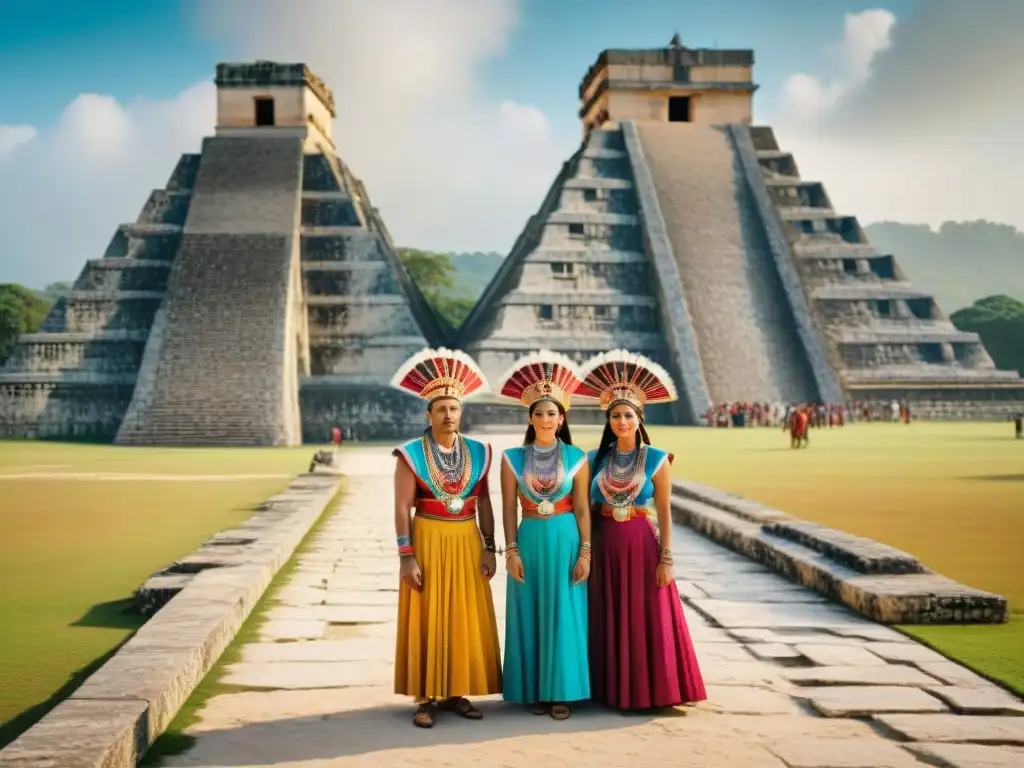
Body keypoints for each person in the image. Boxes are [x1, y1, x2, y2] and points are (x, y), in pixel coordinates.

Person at [576, 349, 707, 712]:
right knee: (608, 614)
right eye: (615, 415)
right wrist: (584, 549)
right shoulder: (593, 460)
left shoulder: (656, 458)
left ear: (639, 417)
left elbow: (664, 511)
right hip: (605, 545)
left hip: (640, 543)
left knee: (644, 613)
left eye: (628, 415)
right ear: (608, 420)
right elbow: (583, 508)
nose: (622, 421)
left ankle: (652, 689)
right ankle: (610, 688)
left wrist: (666, 558)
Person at [390, 347, 502, 728]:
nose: (448, 415)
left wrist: (490, 547)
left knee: (462, 614)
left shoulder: (479, 451)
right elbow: (403, 506)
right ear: (428, 414)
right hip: (428, 538)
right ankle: (424, 697)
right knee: (428, 612)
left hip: (467, 539)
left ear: (461, 412)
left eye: (454, 408)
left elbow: (484, 501)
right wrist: (407, 555)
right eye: (440, 409)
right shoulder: (410, 455)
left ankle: (457, 691)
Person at [496, 350, 592, 720]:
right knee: (530, 611)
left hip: (566, 538)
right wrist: (511, 552)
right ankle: (535, 688)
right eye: (539, 412)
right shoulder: (512, 458)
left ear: (562, 417)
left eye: (552, 412)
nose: (546, 418)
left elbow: (582, 508)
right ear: (530, 418)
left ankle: (562, 691)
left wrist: (586, 552)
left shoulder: (578, 457)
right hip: (531, 537)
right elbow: (507, 507)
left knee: (564, 611)